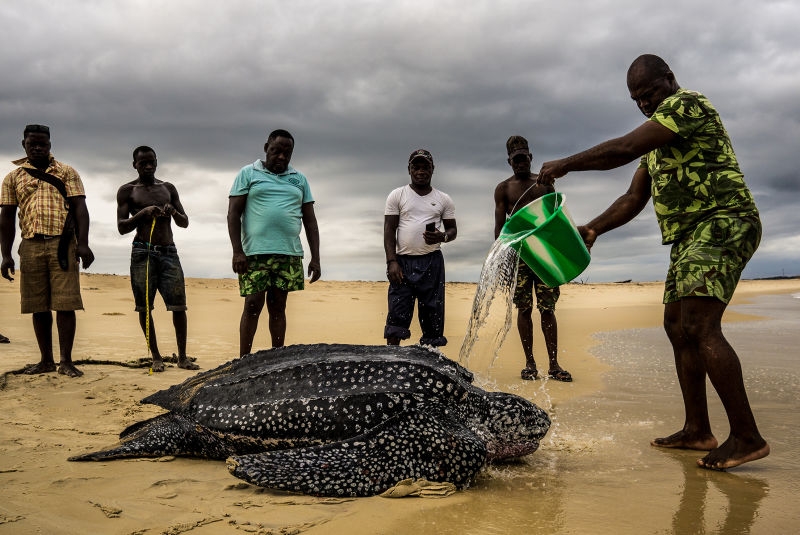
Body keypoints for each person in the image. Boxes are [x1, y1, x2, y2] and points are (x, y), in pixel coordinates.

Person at [537, 54, 769, 470]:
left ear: (670, 79)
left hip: (722, 220)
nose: (645, 105)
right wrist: (592, 229)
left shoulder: (687, 105)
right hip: (687, 236)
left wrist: (566, 164)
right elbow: (633, 198)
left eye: (649, 94)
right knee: (677, 325)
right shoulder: (659, 144)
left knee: (700, 325)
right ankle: (698, 430)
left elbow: (624, 148)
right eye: (637, 100)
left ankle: (747, 437)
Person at [0, 124, 95, 377]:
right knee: (37, 305)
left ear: (50, 145)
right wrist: (6, 254)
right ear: (24, 145)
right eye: (33, 144)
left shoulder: (66, 171)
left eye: (43, 144)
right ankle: (46, 361)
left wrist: (83, 244)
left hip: (63, 244)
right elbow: (7, 218)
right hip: (30, 244)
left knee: (66, 303)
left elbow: (80, 209)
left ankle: (66, 361)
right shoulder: (13, 177)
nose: (38, 148)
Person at [227, 129, 321, 356]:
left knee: (278, 307)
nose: (281, 157)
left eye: (287, 153)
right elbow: (233, 214)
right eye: (276, 151)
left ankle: (276, 360)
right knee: (252, 305)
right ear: (266, 147)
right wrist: (237, 251)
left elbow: (310, 221)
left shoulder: (299, 179)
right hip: (254, 254)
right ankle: (243, 360)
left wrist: (316, 258)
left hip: (288, 253)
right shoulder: (248, 173)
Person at [494, 136, 571, 382]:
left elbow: (556, 219)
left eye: (523, 158)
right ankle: (530, 364)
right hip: (520, 257)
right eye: (515, 159)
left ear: (531, 157)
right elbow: (499, 230)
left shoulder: (545, 184)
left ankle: (554, 364)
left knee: (548, 309)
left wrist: (561, 255)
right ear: (509, 161)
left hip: (545, 255)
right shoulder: (503, 189)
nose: (520, 163)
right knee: (524, 308)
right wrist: (504, 262)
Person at [116, 146, 198, 372]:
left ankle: (182, 357)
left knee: (179, 306)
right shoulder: (127, 191)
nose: (148, 166)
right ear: (135, 164)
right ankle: (156, 357)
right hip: (143, 252)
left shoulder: (168, 188)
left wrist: (173, 212)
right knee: (144, 307)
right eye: (143, 163)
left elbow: (185, 222)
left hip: (168, 251)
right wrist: (142, 214)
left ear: (156, 162)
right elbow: (122, 227)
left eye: (151, 162)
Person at [384, 149, 457, 347]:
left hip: (432, 262)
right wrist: (392, 262)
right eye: (416, 167)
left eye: (426, 167)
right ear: (409, 169)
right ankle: (391, 362)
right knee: (397, 316)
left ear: (433, 170)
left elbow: (452, 230)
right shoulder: (397, 195)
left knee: (432, 317)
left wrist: (443, 236)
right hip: (402, 263)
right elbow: (389, 229)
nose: (421, 171)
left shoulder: (443, 199)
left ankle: (430, 364)